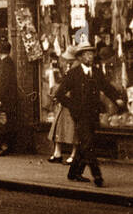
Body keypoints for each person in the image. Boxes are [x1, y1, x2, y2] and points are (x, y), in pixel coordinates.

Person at [56, 42, 127, 187]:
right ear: (80, 57)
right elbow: (60, 95)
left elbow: (106, 87)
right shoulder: (73, 74)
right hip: (80, 115)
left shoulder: (96, 72)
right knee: (88, 144)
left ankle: (73, 172)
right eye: (86, 54)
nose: (90, 56)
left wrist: (117, 99)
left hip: (93, 114)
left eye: (91, 54)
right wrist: (73, 106)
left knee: (85, 144)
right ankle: (97, 175)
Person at [47, 51, 78, 164]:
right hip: (65, 102)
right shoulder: (69, 68)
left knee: (73, 129)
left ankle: (74, 154)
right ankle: (57, 152)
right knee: (59, 127)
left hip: (71, 102)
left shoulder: (76, 69)